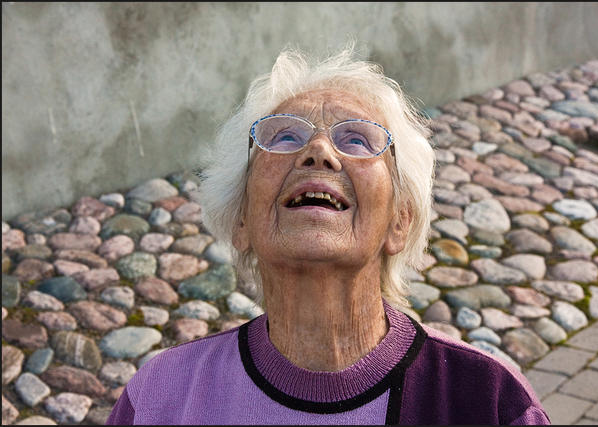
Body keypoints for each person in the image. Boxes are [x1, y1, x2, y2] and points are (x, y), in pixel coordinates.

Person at [107, 44, 550, 425]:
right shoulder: (160, 397)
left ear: (399, 222)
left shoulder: (486, 400)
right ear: (241, 219)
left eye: (357, 139)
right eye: (284, 136)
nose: (318, 151)